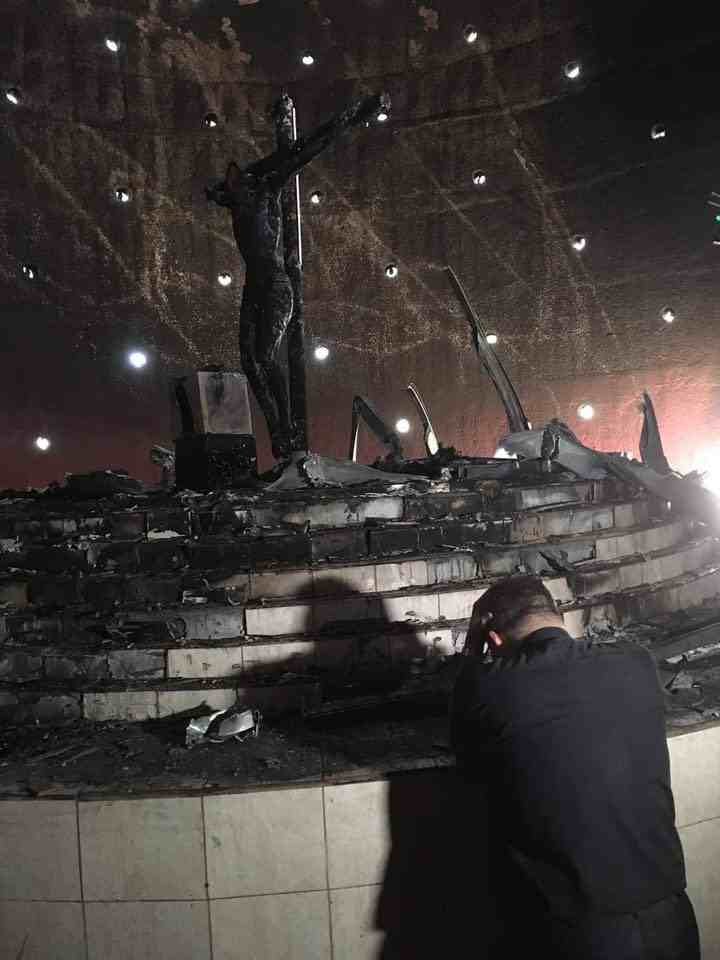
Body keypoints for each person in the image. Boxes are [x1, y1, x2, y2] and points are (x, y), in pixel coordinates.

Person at [450, 575, 699, 959]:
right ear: (559, 615)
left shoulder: (488, 689)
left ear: (494, 639)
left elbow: (465, 758)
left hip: (582, 929)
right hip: (670, 912)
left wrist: (472, 651)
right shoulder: (637, 663)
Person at [206, 92, 389, 460]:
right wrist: (216, 191)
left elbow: (308, 149)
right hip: (254, 286)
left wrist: (356, 114)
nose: (230, 182)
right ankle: (279, 432)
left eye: (234, 179)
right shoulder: (237, 199)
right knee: (249, 360)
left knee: (265, 356)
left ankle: (287, 431)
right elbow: (216, 191)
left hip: (274, 285)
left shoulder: (264, 191)